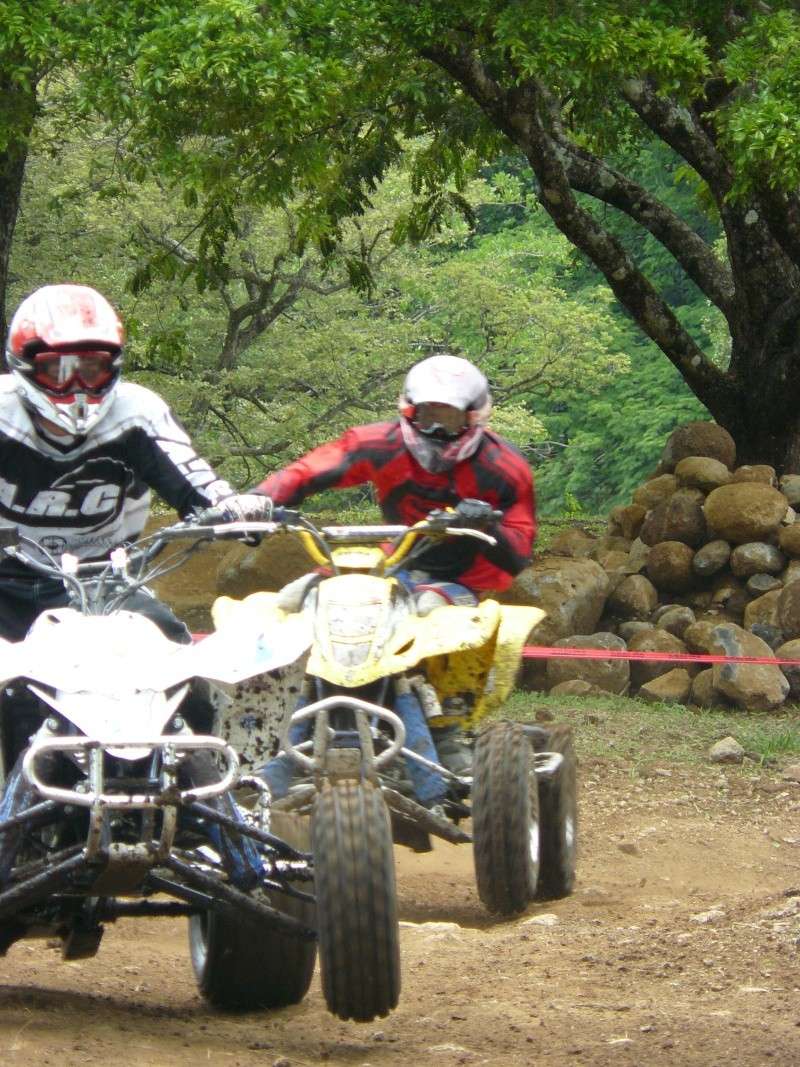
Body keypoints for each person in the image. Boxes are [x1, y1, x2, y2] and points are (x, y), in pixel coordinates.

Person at [0, 284, 271, 745]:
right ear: (26, 365)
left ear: (114, 365)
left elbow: (191, 476)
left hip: (104, 583)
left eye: (92, 367)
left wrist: (228, 507)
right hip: (5, 581)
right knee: (17, 704)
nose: (78, 386)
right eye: (59, 370)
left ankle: (200, 807)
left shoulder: (136, 412)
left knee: (184, 676)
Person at [253, 353, 536, 790]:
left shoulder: (503, 468)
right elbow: (311, 470)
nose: (437, 430)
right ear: (409, 411)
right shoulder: (381, 445)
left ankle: (446, 728)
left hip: (465, 577)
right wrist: (257, 500)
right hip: (397, 562)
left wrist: (488, 524)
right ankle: (286, 728)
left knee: (433, 612)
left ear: (474, 418)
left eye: (450, 418)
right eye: (428, 416)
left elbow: (520, 550)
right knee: (300, 598)